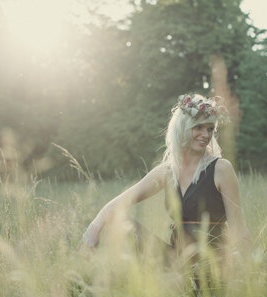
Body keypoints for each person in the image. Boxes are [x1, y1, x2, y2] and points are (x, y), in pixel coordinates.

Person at [79, 94, 251, 262]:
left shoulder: (221, 169)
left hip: (213, 262)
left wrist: (247, 267)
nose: (206, 135)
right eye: (198, 127)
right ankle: (145, 280)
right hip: (176, 260)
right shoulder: (167, 171)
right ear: (183, 126)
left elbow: (238, 228)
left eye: (210, 129)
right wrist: (93, 229)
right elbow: (121, 202)